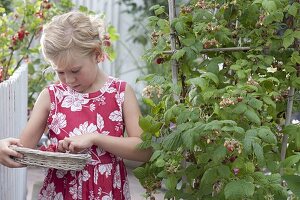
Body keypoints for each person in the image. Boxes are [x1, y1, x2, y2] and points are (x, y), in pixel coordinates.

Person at [17, 11, 152, 199]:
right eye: (60, 72)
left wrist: (95, 138)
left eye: (75, 70)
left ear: (96, 54)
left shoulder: (120, 93)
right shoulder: (51, 97)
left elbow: (144, 150)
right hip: (61, 193)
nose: (69, 80)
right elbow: (22, 152)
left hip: (107, 193)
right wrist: (6, 150)